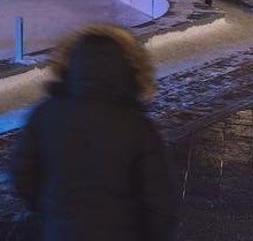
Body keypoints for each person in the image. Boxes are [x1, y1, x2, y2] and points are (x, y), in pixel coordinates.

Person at [10, 25, 176, 240]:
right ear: (130, 69)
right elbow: (160, 199)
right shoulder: (138, 126)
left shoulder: (46, 114)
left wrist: (50, 206)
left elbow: (22, 172)